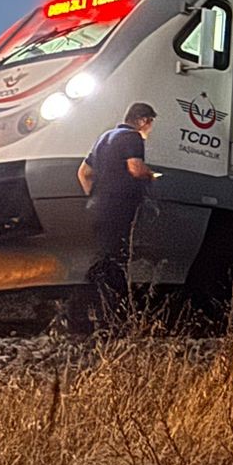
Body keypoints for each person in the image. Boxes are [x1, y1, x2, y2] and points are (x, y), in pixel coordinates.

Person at [78, 102, 158, 321]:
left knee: (102, 257)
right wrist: (150, 175)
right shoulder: (133, 138)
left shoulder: (104, 138)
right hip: (120, 206)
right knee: (117, 258)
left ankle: (85, 308)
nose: (150, 128)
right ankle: (115, 312)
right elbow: (135, 168)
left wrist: (94, 196)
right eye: (150, 123)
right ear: (142, 120)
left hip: (98, 207)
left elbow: (83, 173)